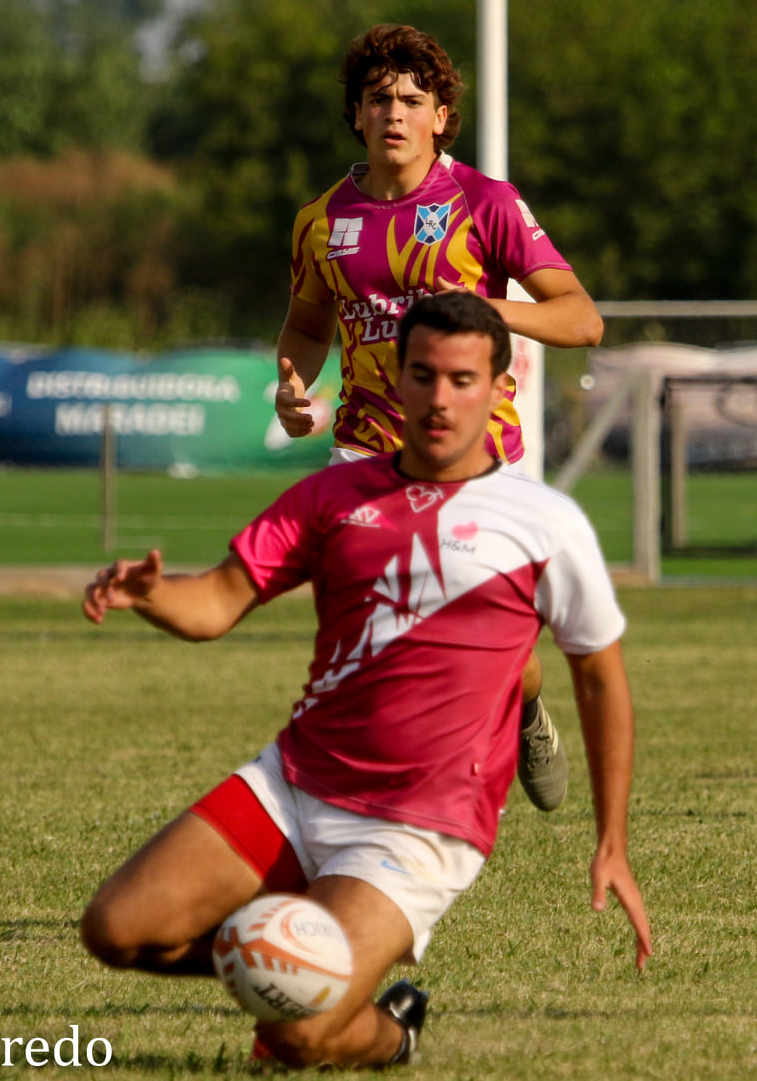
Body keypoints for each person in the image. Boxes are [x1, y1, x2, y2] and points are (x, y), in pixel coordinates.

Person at [80, 293, 652, 1068]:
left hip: (418, 826)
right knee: (114, 930)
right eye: (423, 376)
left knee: (297, 1033)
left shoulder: (544, 522)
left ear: (496, 385)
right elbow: (215, 601)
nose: (440, 398)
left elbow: (600, 680)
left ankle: (389, 1033)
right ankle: (296, 960)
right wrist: (150, 593)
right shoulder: (332, 496)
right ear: (396, 377)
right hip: (295, 782)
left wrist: (611, 839)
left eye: (461, 379)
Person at [274, 23, 604, 814]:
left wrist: (485, 310)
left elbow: (582, 320)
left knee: (497, 643)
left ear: (442, 116)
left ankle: (522, 708)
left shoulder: (483, 202)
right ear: (355, 113)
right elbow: (307, 324)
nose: (395, 113)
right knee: (367, 628)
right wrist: (289, 385)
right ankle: (382, 788)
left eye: (413, 100)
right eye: (379, 99)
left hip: (476, 455)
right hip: (362, 449)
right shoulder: (321, 219)